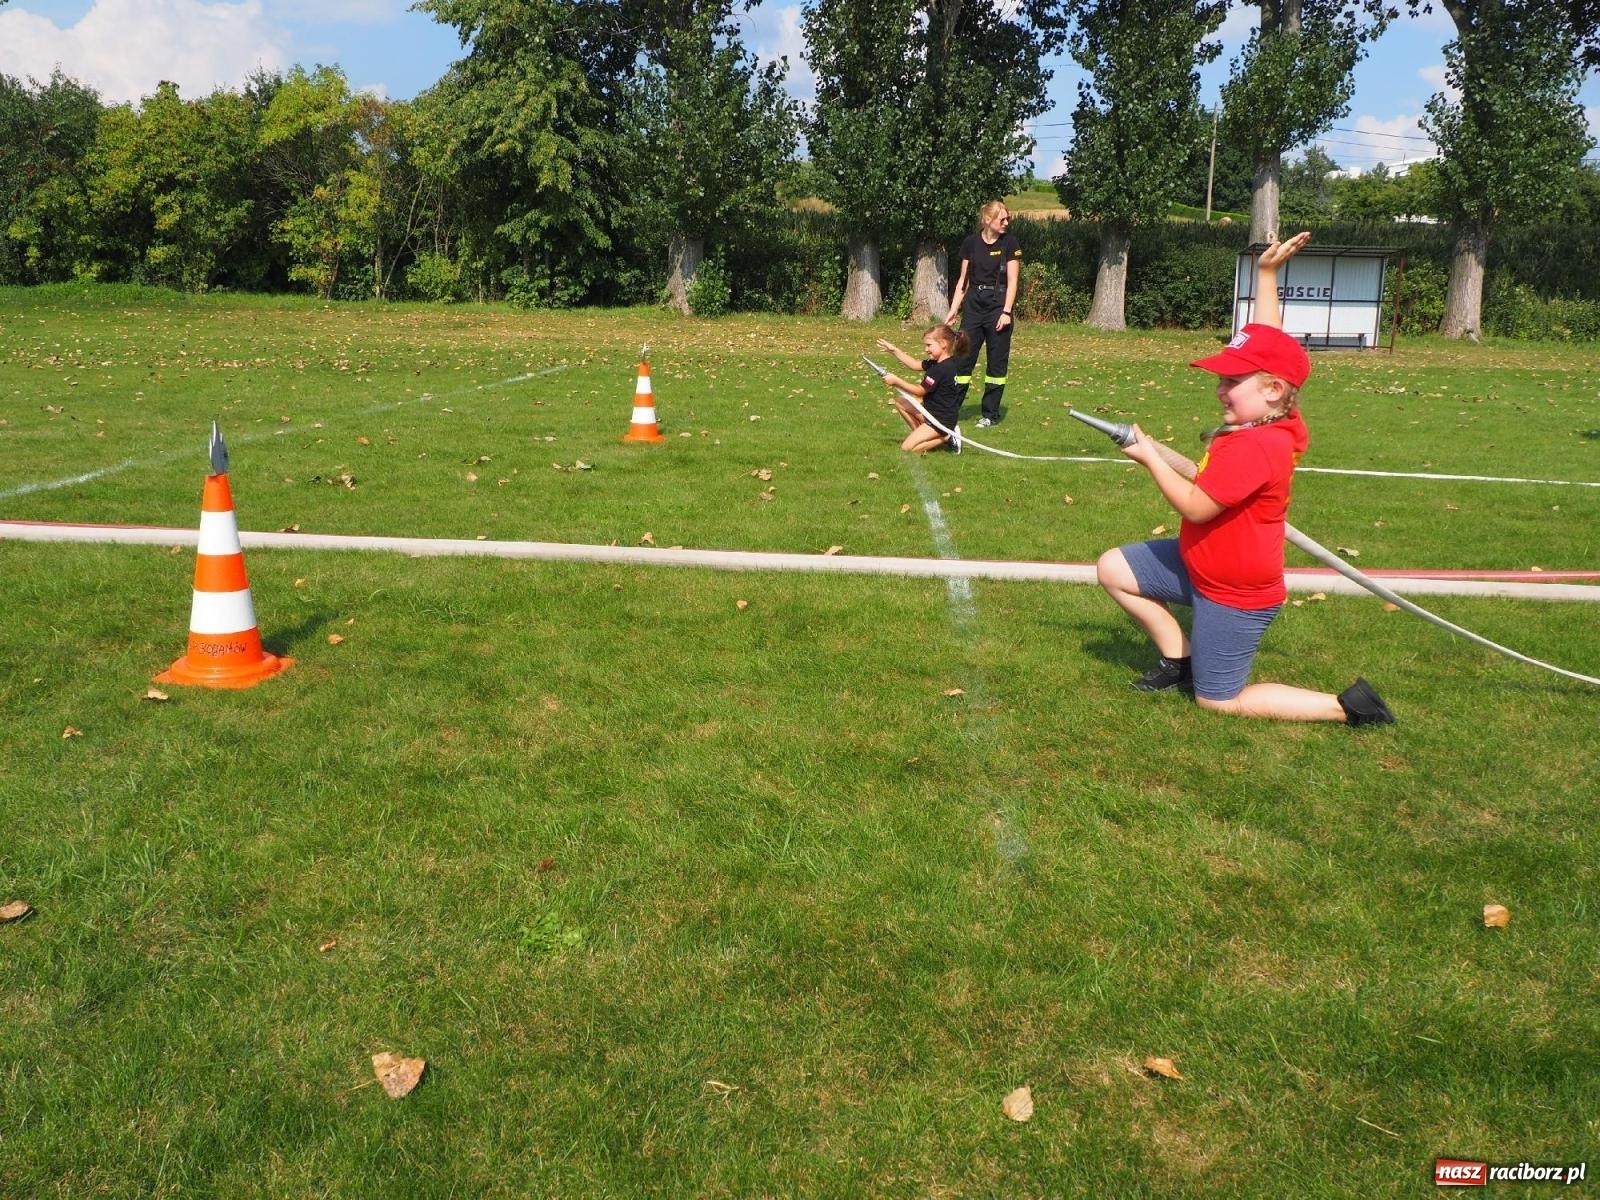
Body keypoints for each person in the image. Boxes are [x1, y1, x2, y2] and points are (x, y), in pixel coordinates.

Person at [1094, 231, 1395, 726]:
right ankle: (1180, 659)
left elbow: (1195, 506)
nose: (1220, 390)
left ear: (1274, 391)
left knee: (1219, 701)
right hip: (1199, 565)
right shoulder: (1275, 417)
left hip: (1233, 592)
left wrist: (1149, 456)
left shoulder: (1258, 446)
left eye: (1232, 382)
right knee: (1114, 569)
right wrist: (1268, 276)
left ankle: (1348, 707)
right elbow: (1269, 348)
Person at [945, 200, 1021, 429]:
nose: (1006, 222)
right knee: (962, 359)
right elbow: (963, 280)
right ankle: (950, 409)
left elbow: (1013, 280)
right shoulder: (971, 243)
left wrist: (1006, 312)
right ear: (988, 220)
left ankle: (990, 413)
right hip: (974, 306)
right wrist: (953, 310)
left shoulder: (1010, 243)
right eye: (1002, 219)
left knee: (996, 365)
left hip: (998, 306)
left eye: (1007, 219)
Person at [875, 325, 970, 454]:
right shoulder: (939, 362)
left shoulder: (940, 369)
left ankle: (946, 437)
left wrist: (896, 381)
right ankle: (922, 436)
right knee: (901, 402)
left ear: (943, 344)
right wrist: (894, 350)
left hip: (939, 420)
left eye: (929, 345)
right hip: (930, 413)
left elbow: (919, 391)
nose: (926, 349)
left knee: (906, 448)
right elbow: (914, 364)